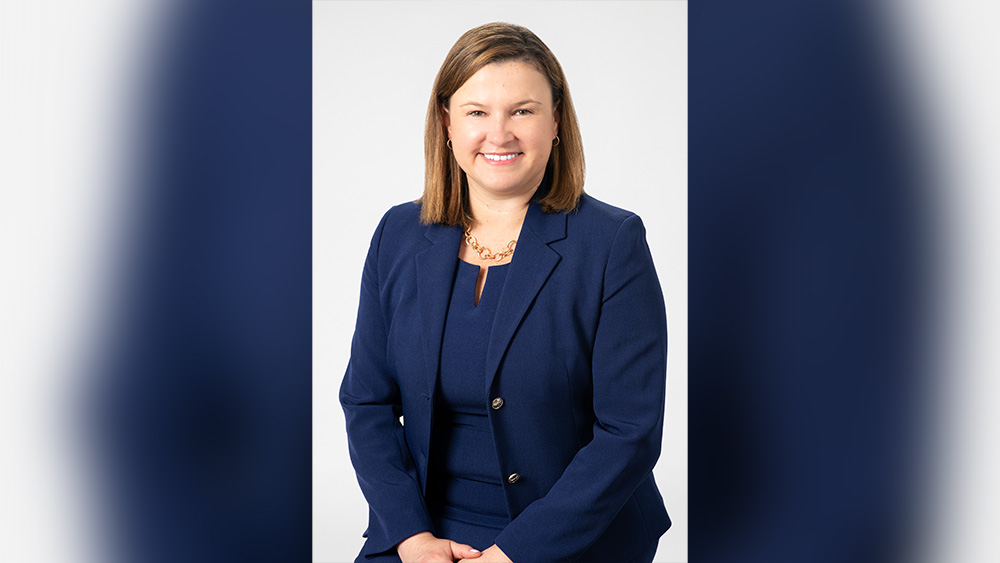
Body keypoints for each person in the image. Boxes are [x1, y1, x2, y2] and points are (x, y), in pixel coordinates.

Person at [340, 22, 670, 563]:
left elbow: (628, 432)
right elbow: (366, 400)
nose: (499, 134)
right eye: (477, 111)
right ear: (446, 122)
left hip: (567, 536)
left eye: (522, 111)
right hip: (423, 528)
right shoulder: (398, 235)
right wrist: (411, 537)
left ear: (556, 121)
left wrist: (512, 554)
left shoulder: (612, 243)